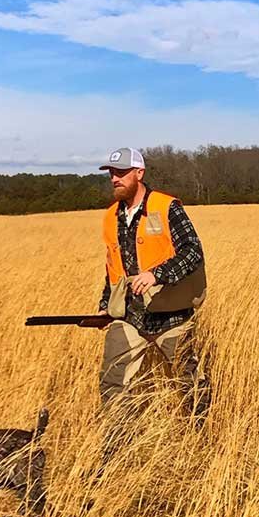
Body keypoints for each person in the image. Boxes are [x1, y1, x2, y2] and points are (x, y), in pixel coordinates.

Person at [96, 147, 210, 421]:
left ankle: (201, 433)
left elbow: (193, 252)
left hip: (172, 315)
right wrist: (104, 307)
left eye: (121, 173)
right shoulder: (111, 216)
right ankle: (118, 447)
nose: (114, 179)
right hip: (129, 316)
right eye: (111, 173)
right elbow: (113, 268)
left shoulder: (166, 207)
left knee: (189, 380)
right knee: (113, 382)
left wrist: (157, 274)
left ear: (139, 173)